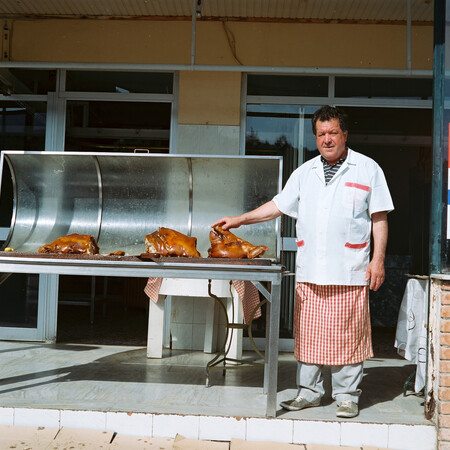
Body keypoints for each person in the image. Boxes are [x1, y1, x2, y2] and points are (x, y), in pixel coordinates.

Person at [212, 105, 394, 418]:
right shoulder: (305, 172)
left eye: (333, 133)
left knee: (348, 335)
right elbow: (277, 206)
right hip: (311, 270)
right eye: (321, 134)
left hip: (349, 269)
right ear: (315, 137)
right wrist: (240, 220)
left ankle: (347, 396)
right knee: (309, 336)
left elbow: (379, 219)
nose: (327, 139)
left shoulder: (367, 169)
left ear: (345, 134)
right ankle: (309, 393)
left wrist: (377, 261)